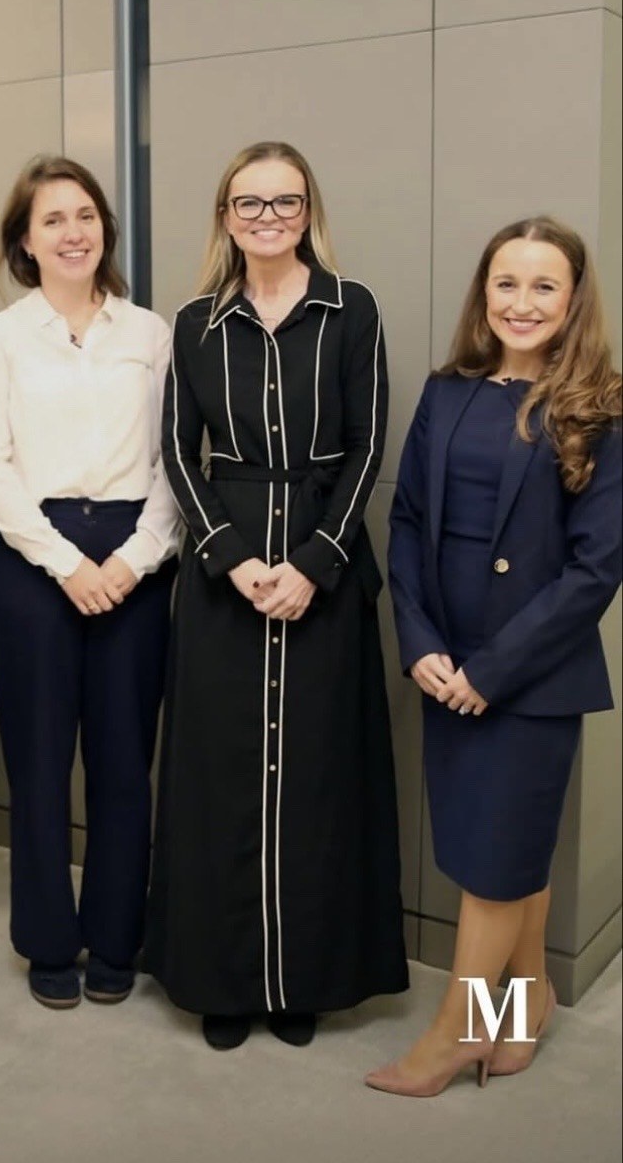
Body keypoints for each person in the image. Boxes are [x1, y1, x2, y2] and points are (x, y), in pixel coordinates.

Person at [144, 140, 408, 1051]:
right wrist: (226, 555)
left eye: (285, 202)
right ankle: (221, 979)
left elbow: (368, 443)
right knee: (220, 780)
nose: (267, 218)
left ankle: (302, 980)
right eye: (249, 203)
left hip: (320, 570)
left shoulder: (351, 308)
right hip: (223, 578)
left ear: (307, 212)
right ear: (225, 216)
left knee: (316, 783)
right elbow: (177, 450)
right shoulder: (194, 322)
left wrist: (314, 562)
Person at [366, 216, 622, 1097]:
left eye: (543, 285)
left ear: (573, 299)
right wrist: (420, 645)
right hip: (446, 666)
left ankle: (457, 1033)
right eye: (505, 283)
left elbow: (596, 569)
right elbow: (406, 523)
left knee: (492, 865)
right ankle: (529, 1000)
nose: (521, 302)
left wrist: (492, 671)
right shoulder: (447, 393)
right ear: (484, 293)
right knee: (508, 856)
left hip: (530, 679)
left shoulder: (601, 406)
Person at [0, 155, 178, 1009]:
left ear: (104, 231)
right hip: (30, 561)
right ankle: (49, 940)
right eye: (51, 219)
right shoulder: (0, 338)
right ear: (25, 240)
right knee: (40, 764)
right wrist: (66, 563)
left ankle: (118, 937)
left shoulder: (150, 334)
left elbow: (173, 462)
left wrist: (132, 558)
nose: (72, 232)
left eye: (84, 215)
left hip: (135, 561)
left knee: (124, 763)